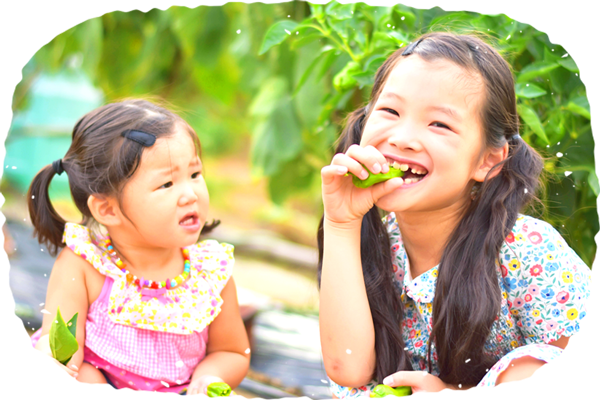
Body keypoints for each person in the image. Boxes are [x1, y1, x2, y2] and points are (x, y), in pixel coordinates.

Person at [317, 32, 595, 400]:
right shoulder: (369, 239)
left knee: (528, 378)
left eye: (439, 125)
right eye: (390, 111)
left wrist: (455, 396)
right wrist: (341, 224)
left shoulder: (528, 250)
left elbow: (588, 380)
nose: (403, 138)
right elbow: (348, 370)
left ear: (487, 160)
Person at [8, 99, 250, 400]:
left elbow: (232, 351)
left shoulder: (210, 274)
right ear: (108, 209)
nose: (190, 194)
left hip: (177, 395)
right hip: (99, 392)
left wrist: (207, 380)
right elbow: (59, 341)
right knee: (80, 380)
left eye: (195, 175)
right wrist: (50, 366)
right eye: (166, 184)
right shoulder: (85, 265)